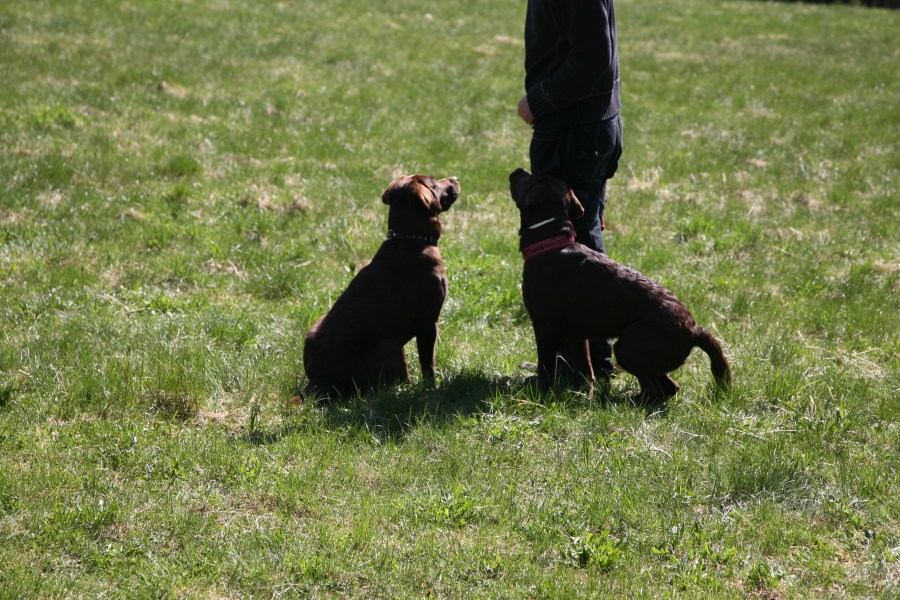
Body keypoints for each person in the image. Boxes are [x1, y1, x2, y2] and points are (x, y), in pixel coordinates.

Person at [518, 0, 623, 378]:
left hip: (573, 131)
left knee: (574, 246)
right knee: (575, 241)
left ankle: (586, 367)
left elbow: (594, 59)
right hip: (580, 127)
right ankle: (576, 361)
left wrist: (539, 100)